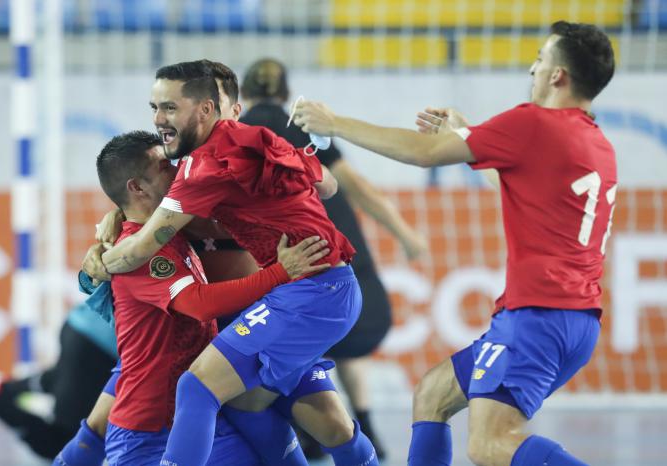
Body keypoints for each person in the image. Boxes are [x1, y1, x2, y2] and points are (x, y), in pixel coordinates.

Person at [293, 20, 616, 466]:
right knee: (433, 394)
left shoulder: (534, 123)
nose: (533, 68)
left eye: (541, 59)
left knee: (489, 446)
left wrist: (336, 123)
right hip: (574, 320)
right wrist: (470, 133)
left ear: (558, 76)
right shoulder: (595, 142)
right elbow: (517, 183)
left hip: (537, 315)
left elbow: (423, 153)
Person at [84, 60, 379, 466]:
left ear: (220, 110)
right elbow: (327, 185)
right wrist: (114, 222)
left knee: (207, 395)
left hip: (287, 304)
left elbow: (144, 246)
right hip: (261, 313)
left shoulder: (202, 172)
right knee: (291, 416)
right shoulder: (244, 151)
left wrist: (101, 259)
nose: (158, 118)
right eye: (155, 108)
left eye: (168, 107)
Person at [66, 129, 330, 466]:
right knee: (96, 425)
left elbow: (327, 184)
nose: (177, 170)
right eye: (165, 166)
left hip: (196, 400)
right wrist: (281, 272)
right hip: (150, 426)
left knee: (308, 433)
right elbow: (198, 303)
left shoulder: (172, 221)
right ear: (137, 187)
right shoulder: (142, 249)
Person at [239, 57, 429, 459]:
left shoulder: (238, 133)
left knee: (293, 341)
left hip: (287, 247)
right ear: (288, 93)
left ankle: (303, 429)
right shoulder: (301, 126)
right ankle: (364, 426)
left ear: (243, 96)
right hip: (337, 239)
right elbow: (355, 185)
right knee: (346, 338)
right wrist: (404, 232)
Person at [0, 302, 116, 460]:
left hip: (82, 326)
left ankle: (2, 389)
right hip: (102, 345)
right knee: (63, 443)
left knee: (66, 380)